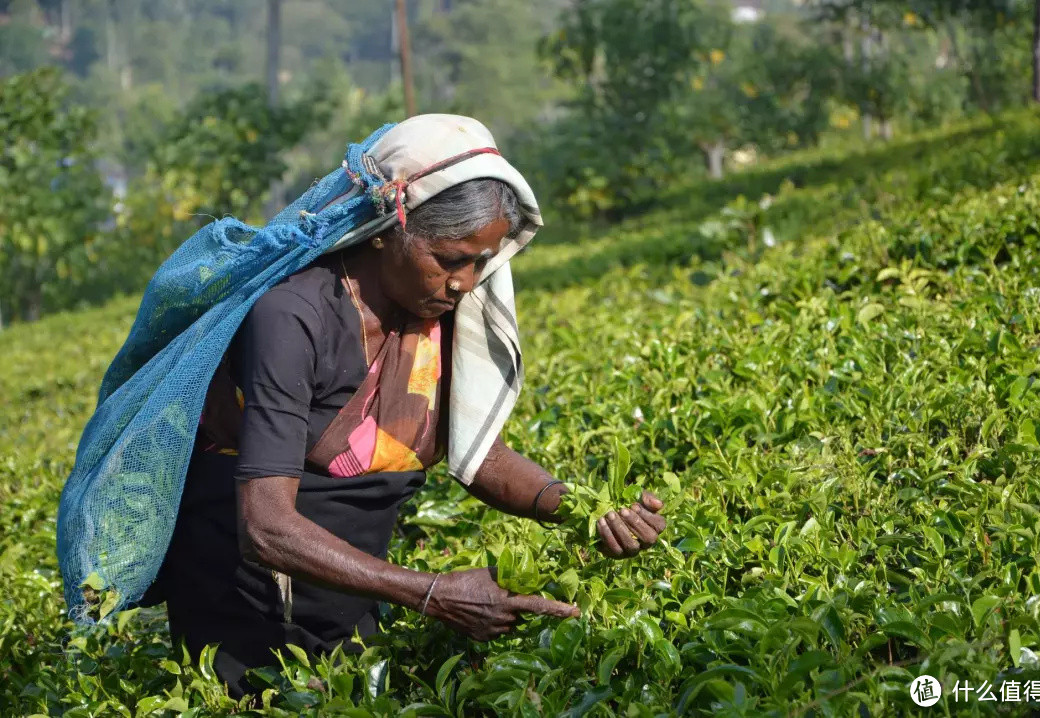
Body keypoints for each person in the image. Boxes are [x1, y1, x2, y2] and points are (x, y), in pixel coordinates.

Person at [149, 115, 667, 697]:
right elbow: (265, 527)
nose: (465, 282)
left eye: (480, 261)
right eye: (449, 259)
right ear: (384, 230)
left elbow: (481, 456)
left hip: (355, 592)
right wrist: (432, 592)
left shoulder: (436, 315)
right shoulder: (293, 317)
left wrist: (586, 512)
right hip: (241, 611)